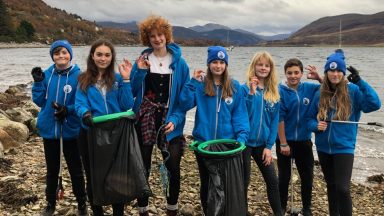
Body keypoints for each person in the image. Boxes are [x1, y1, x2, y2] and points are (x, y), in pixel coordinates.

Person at [307, 49, 381, 216]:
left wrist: (361, 82)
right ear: (326, 73)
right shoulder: (320, 93)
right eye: (331, 70)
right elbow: (309, 120)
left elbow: (374, 104)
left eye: (339, 70)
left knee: (342, 188)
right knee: (331, 185)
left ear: (343, 72)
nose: (335, 74)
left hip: (344, 148)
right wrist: (315, 126)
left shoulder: (353, 90)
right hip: (324, 147)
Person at [129, 15, 190, 216]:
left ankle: (172, 208)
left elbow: (184, 100)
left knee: (173, 165)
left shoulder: (180, 64)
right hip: (145, 116)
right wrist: (138, 71)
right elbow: (133, 91)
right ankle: (142, 209)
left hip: (170, 118)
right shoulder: (143, 60)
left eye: (160, 34)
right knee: (142, 165)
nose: (157, 39)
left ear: (167, 35)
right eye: (152, 35)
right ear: (147, 38)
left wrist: (175, 119)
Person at [179, 46, 249, 214]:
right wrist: (192, 83)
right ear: (209, 64)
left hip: (227, 146)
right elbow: (184, 104)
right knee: (207, 182)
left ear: (226, 65)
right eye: (214, 62)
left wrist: (242, 138)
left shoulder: (235, 87)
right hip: (204, 145)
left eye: (222, 62)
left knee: (226, 183)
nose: (218, 66)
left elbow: (240, 116)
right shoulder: (201, 85)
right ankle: (208, 211)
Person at [75, 39, 134, 216]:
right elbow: (79, 103)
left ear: (112, 57)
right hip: (90, 133)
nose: (103, 58)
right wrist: (85, 114)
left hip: (116, 134)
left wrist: (126, 79)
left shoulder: (117, 79)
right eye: (99, 54)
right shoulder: (83, 79)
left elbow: (127, 105)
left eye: (107, 55)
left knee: (117, 175)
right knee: (93, 176)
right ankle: (97, 211)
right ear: (92, 56)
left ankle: (118, 212)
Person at [31, 40, 87, 216]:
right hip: (50, 131)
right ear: (52, 56)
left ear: (70, 54)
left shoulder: (79, 76)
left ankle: (82, 203)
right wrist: (38, 82)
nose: (61, 56)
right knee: (52, 169)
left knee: (76, 170)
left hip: (70, 130)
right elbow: (39, 101)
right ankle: (50, 203)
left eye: (64, 52)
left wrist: (67, 110)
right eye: (57, 53)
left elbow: (81, 103)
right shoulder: (47, 74)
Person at [276, 58, 322, 215]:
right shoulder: (280, 91)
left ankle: (307, 208)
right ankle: (281, 208)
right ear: (285, 74)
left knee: (307, 177)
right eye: (289, 73)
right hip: (284, 141)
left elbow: (328, 89)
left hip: (304, 141)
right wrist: (283, 143)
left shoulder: (309, 88)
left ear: (302, 73)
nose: (293, 76)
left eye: (296, 72)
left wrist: (319, 78)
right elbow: (279, 118)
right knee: (284, 177)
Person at [241, 51, 283, 216]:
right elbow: (244, 115)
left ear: (271, 69)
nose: (263, 68)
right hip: (245, 143)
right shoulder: (245, 88)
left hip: (262, 145)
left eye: (267, 65)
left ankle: (279, 213)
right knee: (244, 182)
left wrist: (269, 146)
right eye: (260, 64)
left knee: (273, 181)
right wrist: (251, 93)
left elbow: (274, 123)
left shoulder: (273, 92)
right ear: (254, 66)